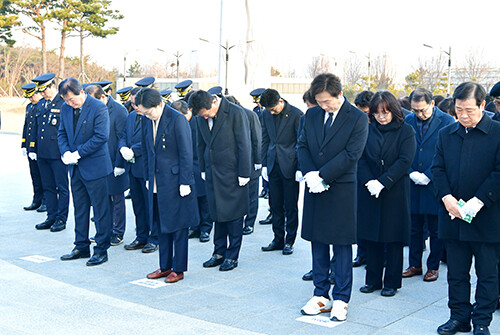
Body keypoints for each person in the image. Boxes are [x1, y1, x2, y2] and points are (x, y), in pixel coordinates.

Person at [297, 73, 368, 321]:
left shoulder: (358, 118)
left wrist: (324, 175)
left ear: (339, 95)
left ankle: (341, 298)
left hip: (341, 188)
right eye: (319, 101)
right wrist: (310, 175)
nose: (323, 106)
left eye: (327, 101)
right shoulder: (312, 114)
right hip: (314, 185)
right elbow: (302, 145)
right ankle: (320, 294)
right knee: (317, 240)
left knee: (341, 243)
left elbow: (352, 154)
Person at [432, 82, 500, 335]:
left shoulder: (497, 132)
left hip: (487, 217)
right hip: (453, 216)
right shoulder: (447, 134)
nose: (463, 116)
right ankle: (459, 317)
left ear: (483, 105)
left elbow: (499, 172)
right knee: (457, 274)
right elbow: (437, 169)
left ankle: (482, 321)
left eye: (469, 110)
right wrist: (446, 198)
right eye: (458, 110)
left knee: (487, 274)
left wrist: (479, 200)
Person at [135, 88, 198, 283]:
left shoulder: (177, 119)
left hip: (175, 180)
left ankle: (178, 269)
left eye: (149, 112)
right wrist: (147, 175)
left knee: (178, 225)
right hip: (156, 180)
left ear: (159, 104)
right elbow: (147, 150)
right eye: (144, 113)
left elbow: (187, 152)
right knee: (161, 224)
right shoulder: (148, 120)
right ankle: (164, 265)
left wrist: (185, 181)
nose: (147, 115)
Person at [357, 91, 416, 297]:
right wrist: (369, 181)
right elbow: (361, 158)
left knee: (393, 237)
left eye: (386, 112)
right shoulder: (367, 130)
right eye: (377, 113)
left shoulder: (405, 130)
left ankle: (392, 281)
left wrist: (383, 182)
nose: (382, 117)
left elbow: (405, 160)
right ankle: (372, 279)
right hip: (370, 189)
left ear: (394, 110)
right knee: (372, 235)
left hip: (394, 190)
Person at [188, 90, 251, 272]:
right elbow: (200, 143)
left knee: (234, 215)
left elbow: (244, 143)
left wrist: (244, 172)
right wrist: (202, 169)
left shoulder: (235, 112)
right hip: (212, 172)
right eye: (203, 115)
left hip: (233, 173)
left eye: (207, 113)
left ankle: (232, 256)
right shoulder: (201, 117)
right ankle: (219, 252)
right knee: (217, 214)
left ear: (214, 102)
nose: (205, 117)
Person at [57, 77, 113, 266]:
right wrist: (65, 152)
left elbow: (101, 137)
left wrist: (78, 153)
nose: (70, 103)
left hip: (95, 167)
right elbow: (62, 133)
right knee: (80, 209)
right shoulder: (65, 108)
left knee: (100, 210)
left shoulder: (98, 107)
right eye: (66, 100)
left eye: (72, 99)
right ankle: (81, 246)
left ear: (82, 92)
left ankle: (101, 249)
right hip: (75, 168)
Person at [402, 88, 454, 282]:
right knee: (414, 227)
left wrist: (429, 174)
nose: (419, 114)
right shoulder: (408, 121)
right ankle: (414, 264)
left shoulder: (447, 121)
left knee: (436, 228)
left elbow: (448, 154)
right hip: (413, 180)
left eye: (422, 110)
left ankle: (433, 266)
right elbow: (403, 149)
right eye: (415, 110)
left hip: (435, 182)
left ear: (432, 104)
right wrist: (410, 172)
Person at [85, 84, 129, 247]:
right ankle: (104, 231)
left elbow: (122, 138)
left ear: (102, 97)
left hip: (114, 161)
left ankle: (118, 233)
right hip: (99, 163)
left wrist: (120, 164)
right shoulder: (93, 109)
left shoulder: (119, 110)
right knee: (102, 199)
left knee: (117, 199)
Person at [260, 88, 303, 255]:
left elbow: (301, 142)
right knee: (275, 205)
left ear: (280, 101)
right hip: (273, 164)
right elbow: (265, 138)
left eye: (273, 109)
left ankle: (289, 241)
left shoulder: (296, 114)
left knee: (290, 206)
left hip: (290, 165)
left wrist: (300, 168)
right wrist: (264, 164)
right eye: (268, 110)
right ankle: (278, 239)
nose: (271, 112)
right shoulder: (265, 114)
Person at [30, 73, 69, 232]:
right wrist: (32, 148)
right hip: (43, 153)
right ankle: (51, 216)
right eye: (40, 91)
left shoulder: (63, 103)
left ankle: (61, 218)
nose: (42, 93)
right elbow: (36, 128)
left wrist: (66, 151)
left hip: (58, 154)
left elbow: (66, 130)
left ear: (53, 86)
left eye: (45, 90)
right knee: (48, 187)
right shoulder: (41, 105)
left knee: (61, 187)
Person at [171, 99, 213, 243]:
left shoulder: (198, 121)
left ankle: (206, 229)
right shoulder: (176, 122)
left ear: (188, 111)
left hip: (199, 164)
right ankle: (195, 227)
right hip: (186, 165)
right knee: (191, 199)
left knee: (204, 198)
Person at [223, 93, 262, 236]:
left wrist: (258, 161)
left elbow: (257, 140)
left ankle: (250, 223)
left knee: (252, 194)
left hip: (251, 161)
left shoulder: (250, 115)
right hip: (235, 164)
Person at [352, 90, 374, 268]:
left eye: (366, 113)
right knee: (359, 216)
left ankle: (375, 255)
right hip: (358, 176)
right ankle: (361, 253)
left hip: (378, 178)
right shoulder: (356, 122)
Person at [21, 83, 44, 211]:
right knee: (34, 174)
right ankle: (37, 199)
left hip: (40, 147)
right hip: (31, 147)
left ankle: (46, 200)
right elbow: (27, 127)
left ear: (37, 93)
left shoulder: (42, 106)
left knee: (44, 176)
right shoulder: (29, 107)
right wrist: (24, 144)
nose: (30, 99)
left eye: (31, 96)